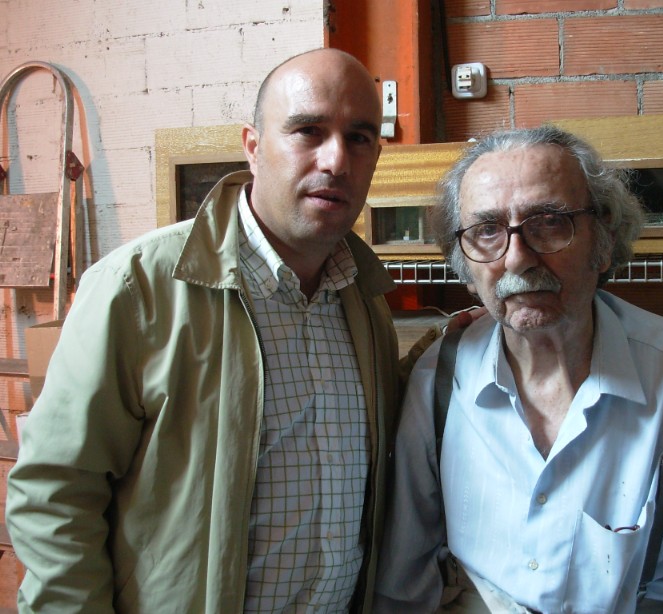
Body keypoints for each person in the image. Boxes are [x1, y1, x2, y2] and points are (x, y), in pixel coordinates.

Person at [7, 48, 402, 613]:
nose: (336, 159)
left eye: (358, 137)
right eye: (308, 131)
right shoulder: (136, 289)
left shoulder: (365, 302)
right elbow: (55, 496)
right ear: (253, 147)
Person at [374, 126, 663, 613]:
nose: (517, 258)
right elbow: (403, 586)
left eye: (549, 222)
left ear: (603, 241)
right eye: (487, 231)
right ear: (465, 263)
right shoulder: (441, 375)